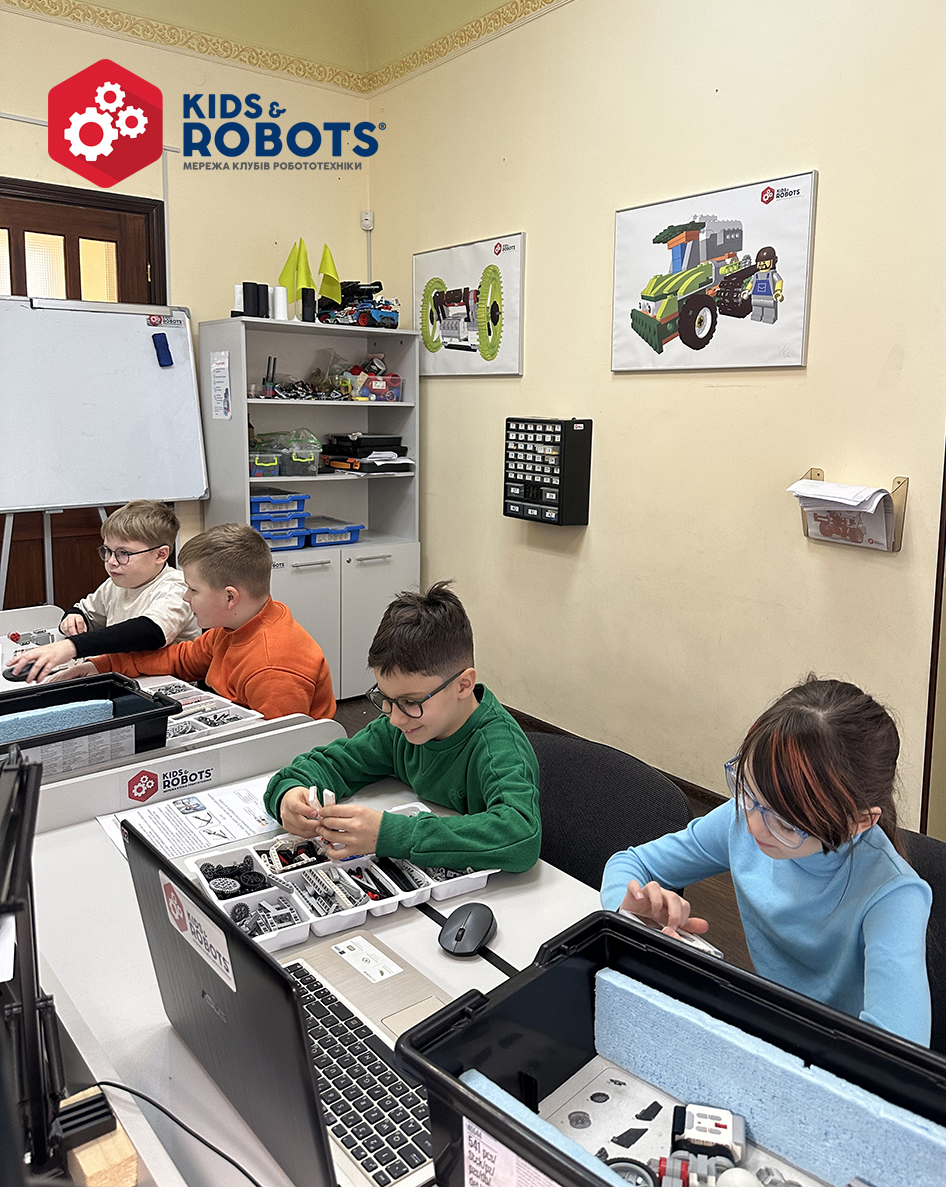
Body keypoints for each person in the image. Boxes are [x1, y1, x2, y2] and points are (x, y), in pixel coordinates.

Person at [600, 677, 932, 1046]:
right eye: (749, 791)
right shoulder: (744, 819)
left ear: (859, 822)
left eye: (787, 824)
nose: (755, 826)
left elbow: (899, 1050)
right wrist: (629, 912)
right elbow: (631, 863)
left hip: (832, 1057)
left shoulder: (894, 897)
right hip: (769, 1026)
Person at [263, 581, 540, 873]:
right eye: (385, 698)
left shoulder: (499, 749)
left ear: (463, 685)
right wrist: (288, 794)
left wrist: (390, 834)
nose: (395, 718)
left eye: (410, 701)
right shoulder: (400, 728)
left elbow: (521, 836)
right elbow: (333, 764)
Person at [40, 523, 336, 722]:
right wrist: (101, 666)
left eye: (193, 590)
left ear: (230, 597)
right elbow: (179, 659)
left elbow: (280, 747)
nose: (185, 597)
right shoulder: (232, 628)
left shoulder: (272, 666)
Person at [10, 500, 200, 683]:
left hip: (165, 683)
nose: (111, 561)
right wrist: (75, 617)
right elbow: (86, 611)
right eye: (107, 551)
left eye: (123, 553)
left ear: (160, 555)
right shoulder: (117, 583)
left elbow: (149, 632)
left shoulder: (176, 586)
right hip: (122, 675)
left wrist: (70, 647)